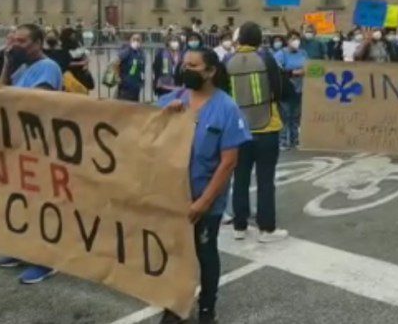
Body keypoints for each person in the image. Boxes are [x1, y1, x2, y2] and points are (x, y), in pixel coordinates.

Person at [157, 48, 250, 324]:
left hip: (205, 200)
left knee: (205, 253)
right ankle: (175, 305)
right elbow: (148, 138)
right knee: (175, 253)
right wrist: (165, 116)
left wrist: (204, 202)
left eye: (193, 66)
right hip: (173, 197)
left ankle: (207, 307)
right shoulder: (172, 100)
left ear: (210, 71)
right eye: (184, 65)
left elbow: (228, 162)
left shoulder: (226, 108)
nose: (185, 70)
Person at [0, 24, 64, 283]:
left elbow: (34, 103)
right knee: (22, 200)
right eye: (14, 40)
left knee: (41, 203)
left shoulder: (48, 68)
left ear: (38, 43)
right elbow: (0, 92)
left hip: (42, 146)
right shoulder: (22, 68)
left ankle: (47, 260)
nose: (16, 45)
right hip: (21, 145)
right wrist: (7, 63)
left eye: (22, 41)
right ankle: (24, 250)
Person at [225, 22, 290, 243]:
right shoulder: (266, 59)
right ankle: (266, 229)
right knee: (265, 180)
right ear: (259, 39)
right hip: (266, 127)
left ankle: (239, 226)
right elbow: (279, 90)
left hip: (238, 130)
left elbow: (223, 95)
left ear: (240, 39)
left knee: (240, 179)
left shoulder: (228, 61)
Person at [275, 31, 308, 150]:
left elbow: (309, 66)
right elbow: (278, 71)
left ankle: (295, 140)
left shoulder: (303, 53)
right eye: (293, 38)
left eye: (297, 39)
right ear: (287, 40)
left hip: (300, 88)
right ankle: (283, 141)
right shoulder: (281, 54)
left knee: (296, 116)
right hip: (286, 89)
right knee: (285, 116)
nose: (296, 41)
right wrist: (294, 72)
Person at [116, 33, 146, 101]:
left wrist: (142, 81)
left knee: (134, 102)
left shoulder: (141, 53)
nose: (136, 42)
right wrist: (118, 77)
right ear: (130, 41)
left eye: (138, 40)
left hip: (136, 84)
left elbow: (142, 68)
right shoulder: (126, 51)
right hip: (125, 84)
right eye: (134, 39)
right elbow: (116, 62)